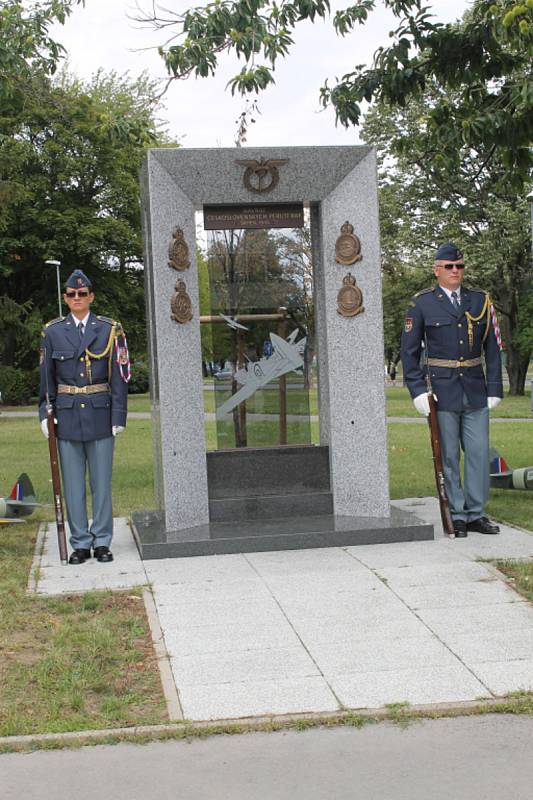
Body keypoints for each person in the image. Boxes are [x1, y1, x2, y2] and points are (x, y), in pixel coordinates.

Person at [400, 243, 503, 538]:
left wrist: (494, 387)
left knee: (478, 452)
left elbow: (493, 348)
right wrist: (418, 390)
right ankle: (456, 514)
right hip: (441, 392)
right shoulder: (421, 304)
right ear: (437, 270)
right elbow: (409, 352)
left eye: (459, 266)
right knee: (448, 456)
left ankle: (475, 514)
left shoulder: (480, 300)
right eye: (449, 266)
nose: (455, 271)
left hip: (474, 389)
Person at [39, 270, 130, 564]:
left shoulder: (109, 329)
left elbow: (120, 376)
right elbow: (46, 380)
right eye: (71, 294)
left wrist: (118, 415)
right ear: (65, 298)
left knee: (101, 484)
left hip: (100, 414)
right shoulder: (52, 331)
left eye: (82, 293)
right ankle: (80, 542)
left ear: (91, 296)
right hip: (66, 416)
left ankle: (102, 541)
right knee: (74, 485)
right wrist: (44, 413)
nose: (76, 298)